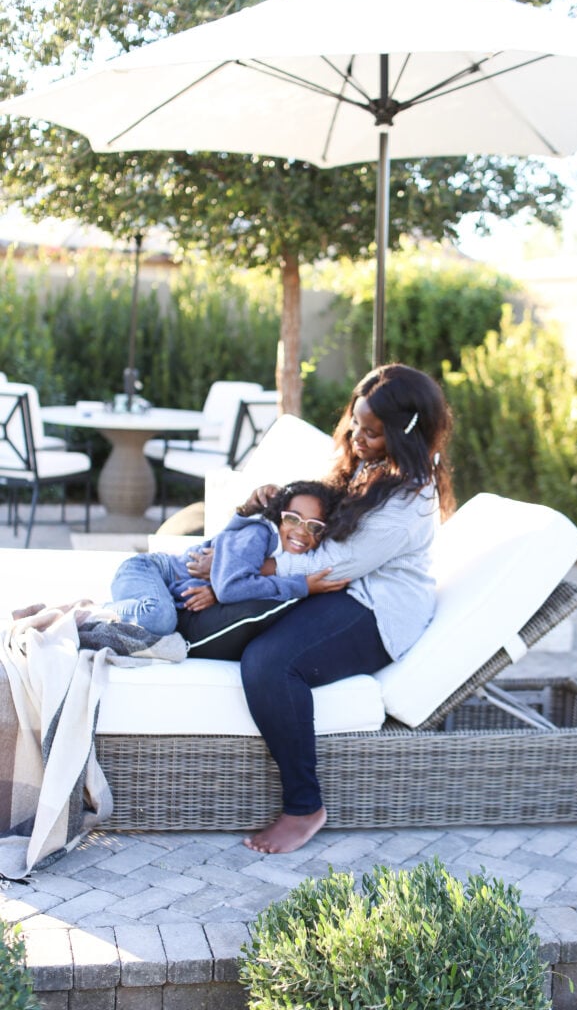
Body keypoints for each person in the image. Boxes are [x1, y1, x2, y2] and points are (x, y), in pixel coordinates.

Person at [185, 363, 455, 855]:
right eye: (355, 423)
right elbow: (317, 523)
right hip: (334, 588)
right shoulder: (368, 465)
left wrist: (239, 568)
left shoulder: (410, 501)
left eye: (372, 433)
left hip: (374, 611)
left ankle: (304, 806)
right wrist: (271, 504)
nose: (357, 437)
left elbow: (333, 563)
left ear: (404, 434)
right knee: (230, 624)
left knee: (269, 663)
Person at [105, 480, 346, 637]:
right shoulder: (258, 535)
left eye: (314, 526)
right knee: (160, 618)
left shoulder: (288, 554)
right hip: (150, 570)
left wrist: (215, 586)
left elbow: (229, 584)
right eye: (292, 519)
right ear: (278, 517)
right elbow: (231, 588)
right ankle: (94, 613)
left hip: (166, 588)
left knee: (162, 620)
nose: (302, 531)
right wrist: (302, 586)